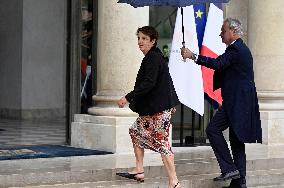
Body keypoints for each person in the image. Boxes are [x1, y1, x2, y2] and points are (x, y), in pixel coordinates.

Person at [181, 18, 262, 188]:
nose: (220, 34)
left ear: (233, 31)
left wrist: (193, 56)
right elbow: (226, 69)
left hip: (237, 103)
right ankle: (240, 183)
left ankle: (229, 169)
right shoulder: (238, 48)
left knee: (212, 129)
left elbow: (218, 64)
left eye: (223, 30)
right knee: (236, 140)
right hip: (238, 102)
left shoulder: (236, 49)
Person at [116, 26, 181, 188]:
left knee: (162, 143)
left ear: (153, 41)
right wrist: (172, 102)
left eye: (144, 39)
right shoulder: (154, 57)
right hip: (154, 108)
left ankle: (174, 181)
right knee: (135, 131)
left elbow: (149, 83)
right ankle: (139, 170)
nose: (140, 42)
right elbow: (166, 81)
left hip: (158, 110)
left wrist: (128, 97)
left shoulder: (153, 58)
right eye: (139, 38)